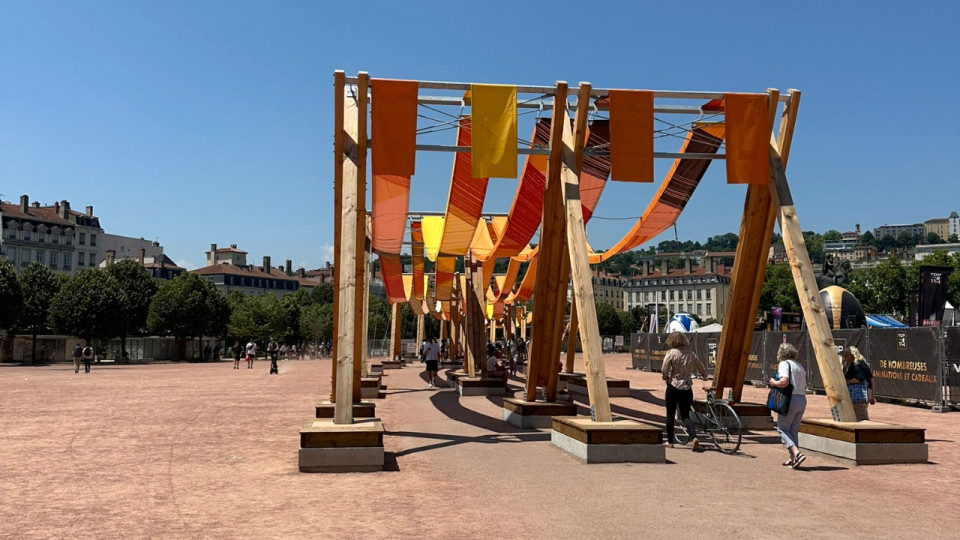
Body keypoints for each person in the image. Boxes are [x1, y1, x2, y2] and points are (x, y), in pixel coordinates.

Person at [661, 332, 709, 452]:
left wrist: (666, 378)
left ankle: (670, 441)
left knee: (670, 414)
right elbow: (700, 366)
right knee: (685, 415)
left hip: (673, 386)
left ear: (672, 341)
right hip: (687, 387)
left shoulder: (671, 353)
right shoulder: (691, 354)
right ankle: (694, 437)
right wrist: (704, 375)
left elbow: (664, 368)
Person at [768, 343, 808, 469]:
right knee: (793, 430)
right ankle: (793, 459)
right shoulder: (800, 366)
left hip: (790, 399)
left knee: (782, 428)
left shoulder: (784, 364)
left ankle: (796, 453)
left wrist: (774, 382)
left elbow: (784, 382)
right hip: (802, 399)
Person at [843, 347, 875, 421]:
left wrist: (847, 382)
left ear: (851, 355)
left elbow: (858, 379)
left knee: (861, 419)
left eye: (846, 355)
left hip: (857, 398)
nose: (844, 358)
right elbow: (872, 378)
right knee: (859, 418)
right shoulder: (861, 363)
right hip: (860, 398)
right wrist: (872, 394)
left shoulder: (856, 365)